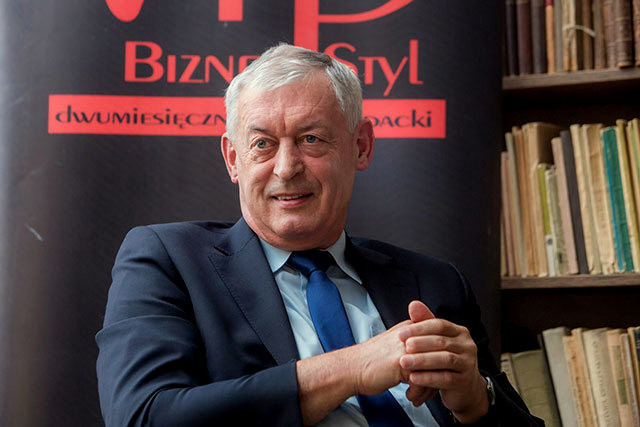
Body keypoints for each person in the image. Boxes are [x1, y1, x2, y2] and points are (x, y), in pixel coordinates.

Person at [96, 43, 542, 426]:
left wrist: (477, 400)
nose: (286, 168)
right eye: (262, 144)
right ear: (233, 159)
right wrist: (351, 368)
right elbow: (143, 416)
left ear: (361, 146)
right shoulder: (169, 261)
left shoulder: (435, 282)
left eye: (310, 139)